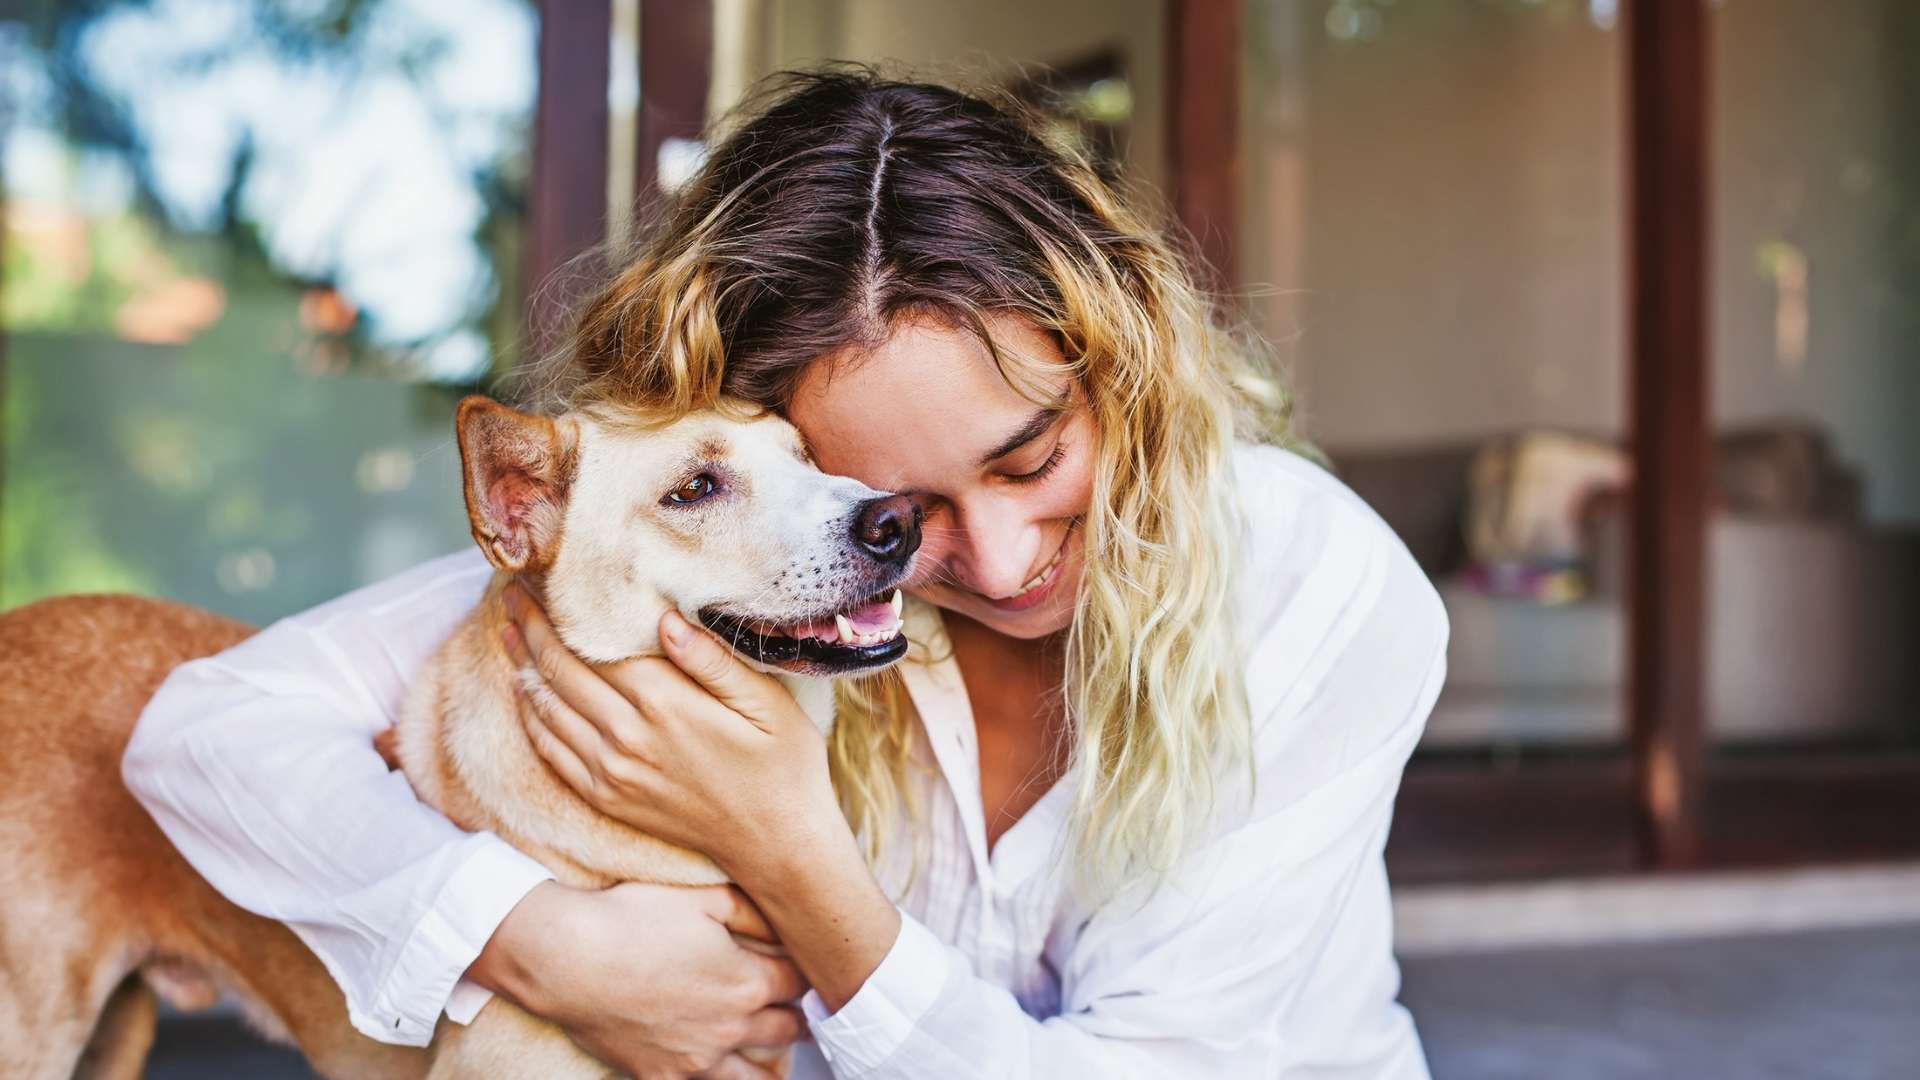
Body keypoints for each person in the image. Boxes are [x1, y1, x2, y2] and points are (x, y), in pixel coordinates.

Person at [123, 68, 1449, 1079]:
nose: (994, 562)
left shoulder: (1312, 580)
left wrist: (788, 847)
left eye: (1033, 457)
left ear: (1119, 364)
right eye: (894, 512)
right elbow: (203, 733)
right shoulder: (751, 563)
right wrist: (537, 943)